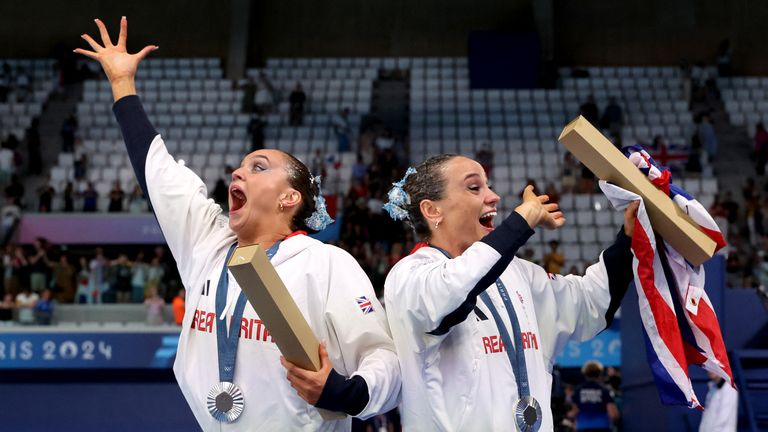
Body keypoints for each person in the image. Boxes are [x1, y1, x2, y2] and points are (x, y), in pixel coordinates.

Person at [76, 17, 400, 431]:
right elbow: (156, 171)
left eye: (258, 167)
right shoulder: (208, 243)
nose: (237, 172)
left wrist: (345, 392)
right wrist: (123, 84)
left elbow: (383, 356)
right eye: (241, 165)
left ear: (290, 198)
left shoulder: (327, 264)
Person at [382, 154, 637, 430]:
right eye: (474, 187)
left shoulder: (518, 273)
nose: (494, 197)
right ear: (432, 210)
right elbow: (456, 288)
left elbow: (590, 302)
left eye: (489, 186)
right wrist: (522, 220)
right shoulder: (410, 277)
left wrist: (629, 237)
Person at [570, 360, 619, 432]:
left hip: (583, 426)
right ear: (599, 374)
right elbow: (613, 414)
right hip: (602, 426)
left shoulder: (578, 390)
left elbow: (575, 411)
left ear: (585, 374)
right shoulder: (604, 390)